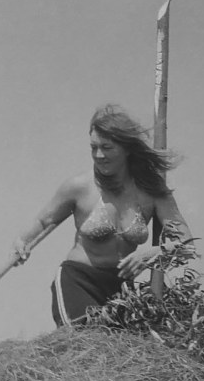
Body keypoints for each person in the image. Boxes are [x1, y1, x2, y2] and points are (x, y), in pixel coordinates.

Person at [13, 104, 193, 327]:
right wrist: (22, 241)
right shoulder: (79, 186)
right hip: (78, 282)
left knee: (127, 347)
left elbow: (187, 245)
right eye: (94, 148)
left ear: (126, 149)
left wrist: (151, 254)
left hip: (121, 291)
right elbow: (43, 221)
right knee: (87, 342)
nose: (99, 155)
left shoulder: (152, 190)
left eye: (107, 148)